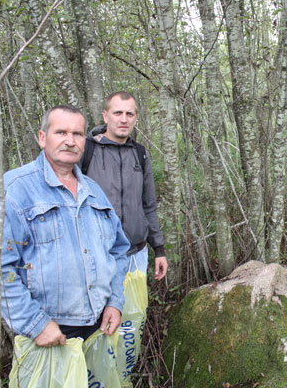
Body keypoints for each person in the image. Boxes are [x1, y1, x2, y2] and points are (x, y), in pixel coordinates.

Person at [0, 105, 129, 349]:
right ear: (42, 138)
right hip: (49, 333)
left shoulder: (94, 192)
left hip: (98, 327)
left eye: (77, 134)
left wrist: (115, 302)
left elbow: (118, 252)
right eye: (61, 132)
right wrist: (35, 323)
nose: (70, 141)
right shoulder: (14, 190)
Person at [80, 91, 167, 381]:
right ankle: (94, 380)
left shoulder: (139, 153)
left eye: (129, 114)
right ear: (105, 115)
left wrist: (159, 248)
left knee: (131, 320)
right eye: (117, 113)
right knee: (98, 323)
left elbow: (149, 205)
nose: (123, 119)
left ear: (136, 118)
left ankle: (121, 377)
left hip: (137, 253)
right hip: (98, 258)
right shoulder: (86, 151)